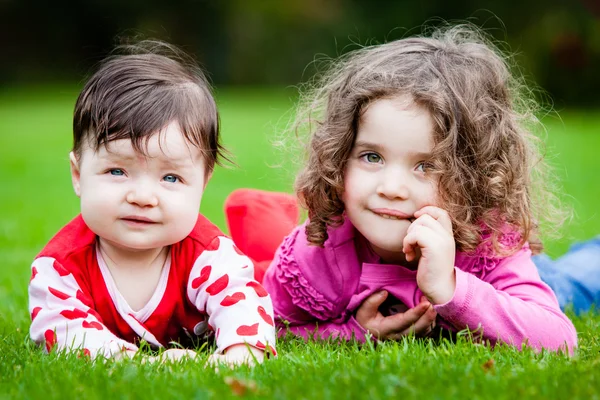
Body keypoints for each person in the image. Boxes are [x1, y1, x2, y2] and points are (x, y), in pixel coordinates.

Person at [225, 25, 578, 354]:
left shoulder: (489, 243)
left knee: (569, 282)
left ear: (474, 179)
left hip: (507, 279)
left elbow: (559, 339)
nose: (392, 188)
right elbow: (266, 324)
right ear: (338, 155)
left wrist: (452, 288)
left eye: (426, 166)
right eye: (371, 157)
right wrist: (354, 333)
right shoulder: (319, 253)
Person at [28, 40, 276, 364]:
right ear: (78, 174)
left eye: (170, 178)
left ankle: (267, 229)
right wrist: (143, 363)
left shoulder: (208, 253)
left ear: (202, 183)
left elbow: (242, 301)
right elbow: (65, 331)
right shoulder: (61, 268)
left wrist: (240, 354)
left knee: (267, 274)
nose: (143, 197)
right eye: (117, 171)